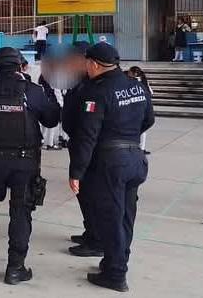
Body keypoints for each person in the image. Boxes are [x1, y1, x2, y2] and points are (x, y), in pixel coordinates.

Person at [0, 47, 60, 285]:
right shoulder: (33, 91)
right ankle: (15, 268)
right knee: (21, 213)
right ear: (20, 66)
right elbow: (51, 119)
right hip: (24, 163)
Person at [69, 42, 154, 292]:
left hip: (111, 162)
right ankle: (116, 262)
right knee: (126, 216)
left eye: (87, 63)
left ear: (94, 64)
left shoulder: (98, 91)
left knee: (110, 218)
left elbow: (88, 135)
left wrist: (77, 171)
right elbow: (149, 119)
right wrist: (128, 135)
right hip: (135, 158)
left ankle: (116, 274)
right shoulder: (136, 86)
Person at [60, 42, 102, 257]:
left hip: (88, 146)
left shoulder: (92, 85)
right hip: (77, 142)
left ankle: (97, 240)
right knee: (83, 194)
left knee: (91, 193)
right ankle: (91, 231)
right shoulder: (78, 82)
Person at [126, 66, 153, 155]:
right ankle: (141, 148)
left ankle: (135, 147)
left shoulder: (130, 81)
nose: (128, 73)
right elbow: (150, 92)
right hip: (142, 106)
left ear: (133, 73)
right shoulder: (143, 80)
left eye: (129, 72)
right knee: (142, 129)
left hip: (132, 107)